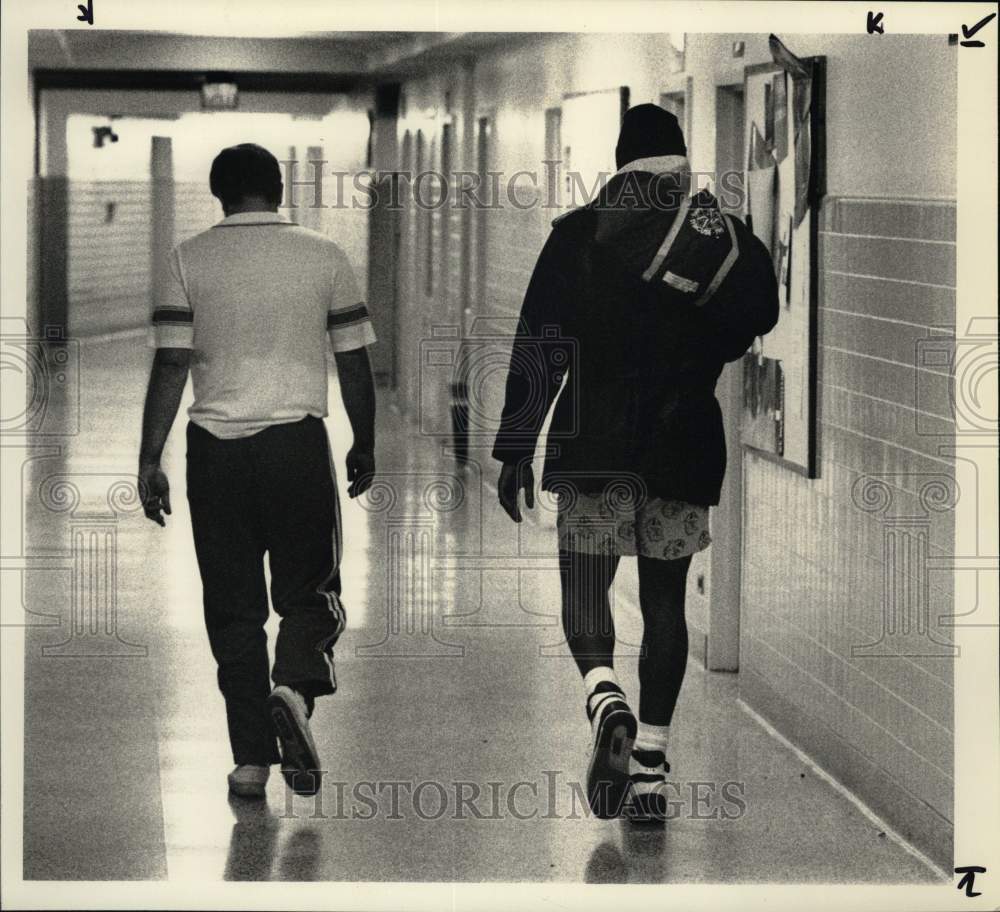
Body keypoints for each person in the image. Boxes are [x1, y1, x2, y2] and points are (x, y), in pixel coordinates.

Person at [493, 105, 778, 823]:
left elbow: (540, 344)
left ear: (620, 161)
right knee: (665, 605)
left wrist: (514, 447)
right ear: (681, 161)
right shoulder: (725, 241)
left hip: (595, 445)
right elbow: (757, 319)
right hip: (685, 444)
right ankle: (649, 766)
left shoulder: (582, 235)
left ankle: (604, 695)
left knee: (585, 586)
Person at [138, 143, 377, 799]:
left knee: (233, 610)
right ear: (279, 187)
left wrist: (148, 456)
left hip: (214, 452)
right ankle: (294, 689)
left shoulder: (188, 257)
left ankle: (250, 760)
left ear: (219, 192)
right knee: (310, 592)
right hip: (294, 446)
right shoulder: (324, 254)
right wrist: (365, 441)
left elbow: (171, 364)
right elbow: (353, 362)